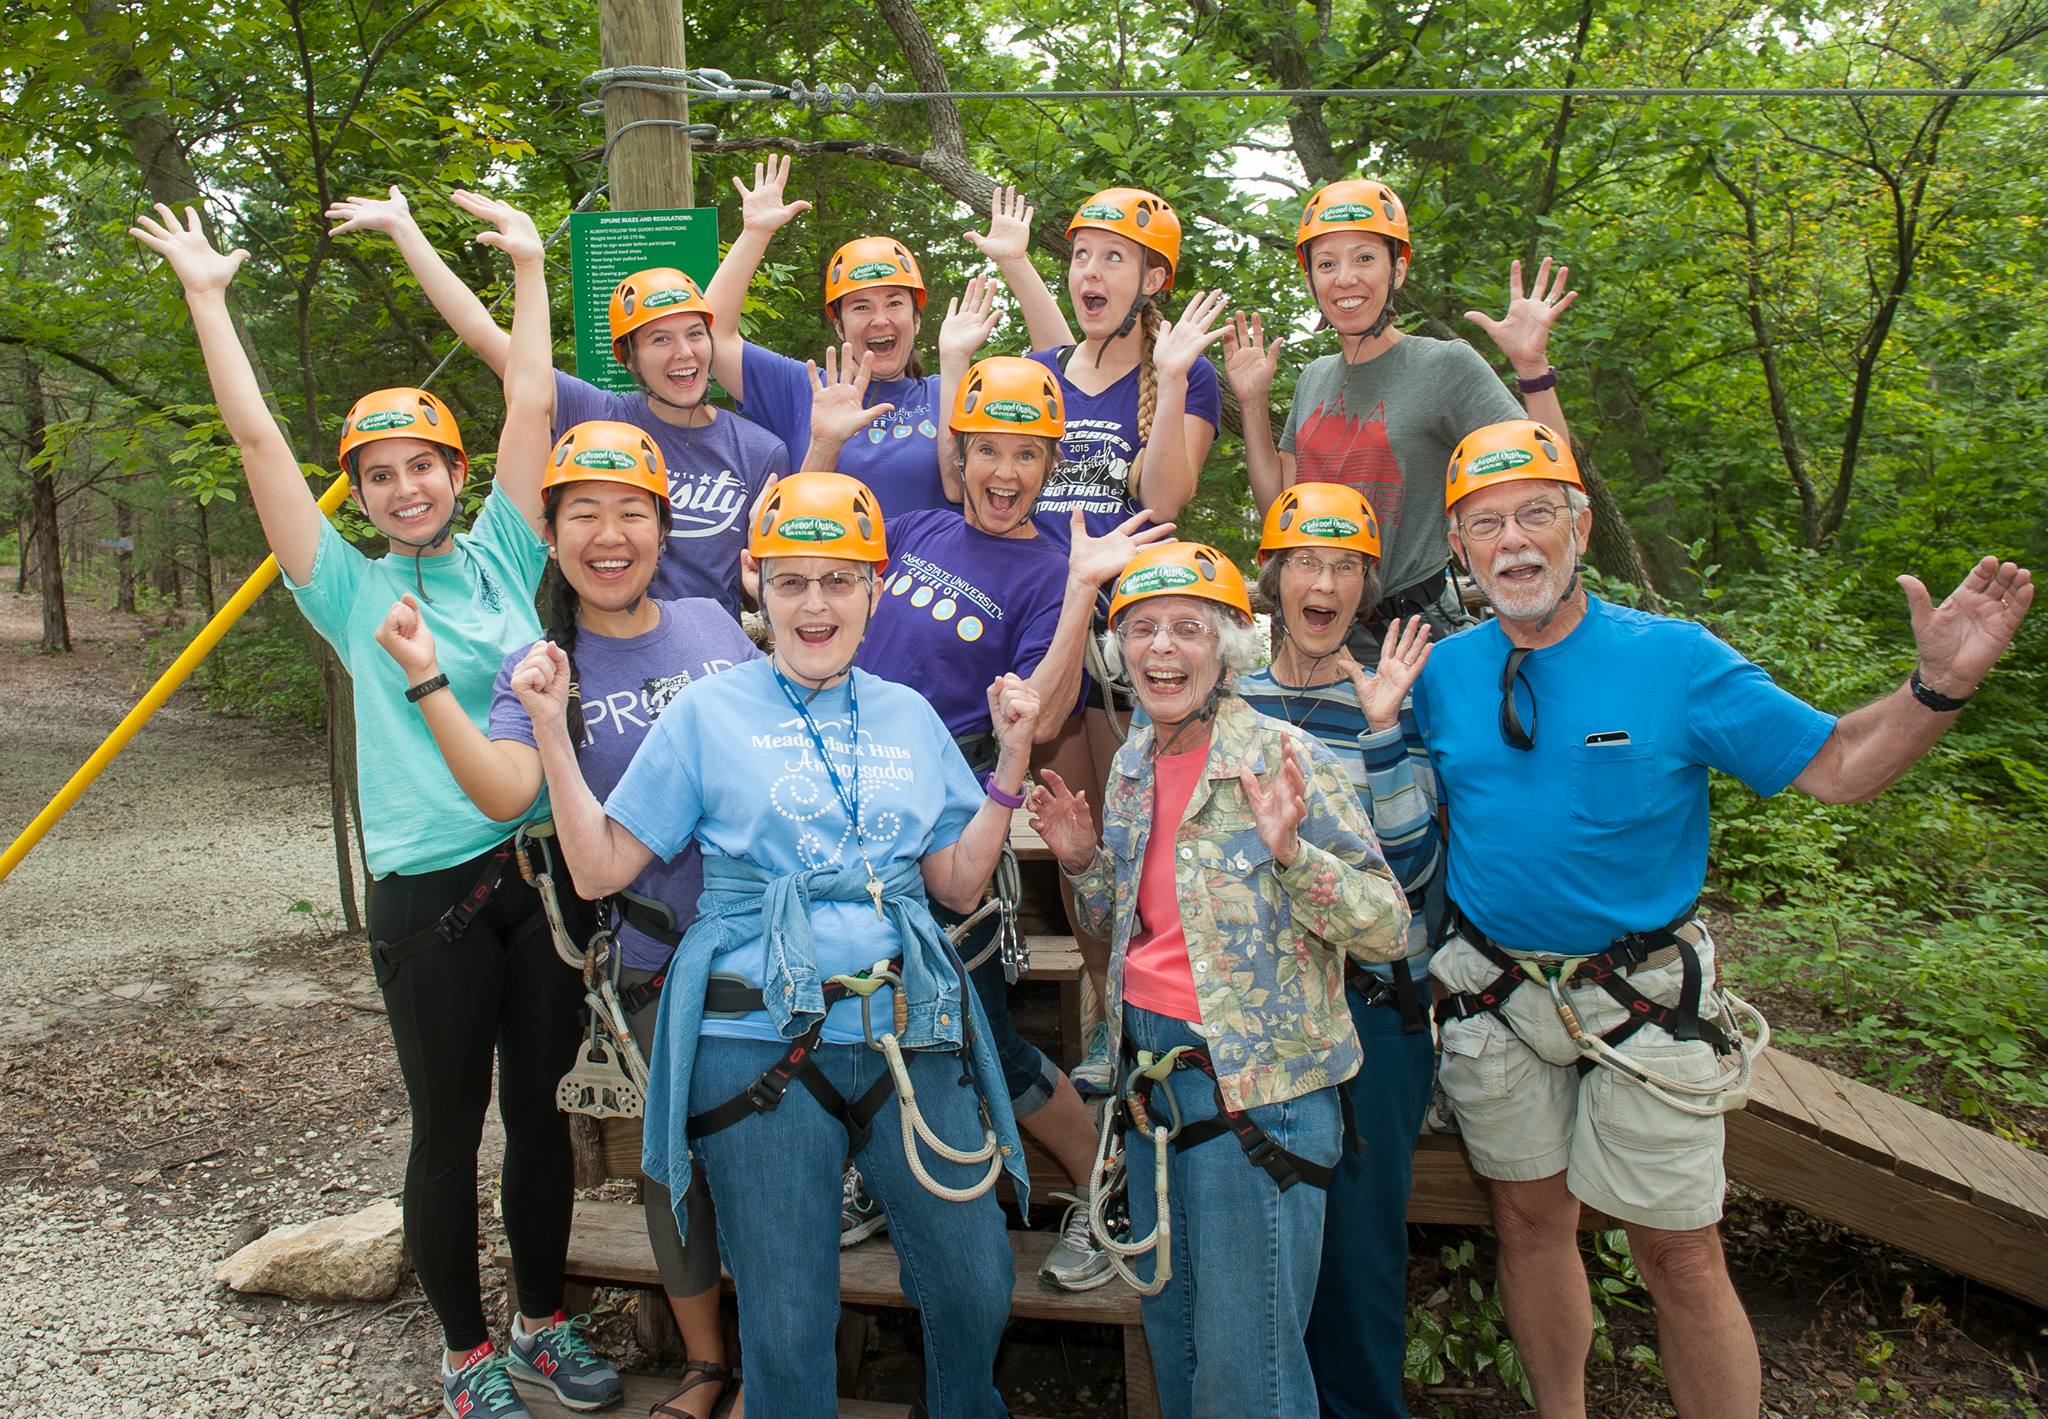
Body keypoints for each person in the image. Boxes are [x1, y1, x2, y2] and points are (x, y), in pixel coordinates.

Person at [1414, 418, 2035, 1419]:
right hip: (1494, 993)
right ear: (1458, 548)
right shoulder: (1442, 674)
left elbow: (1838, 766)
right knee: (1527, 1224)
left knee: (1678, 1251)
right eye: (1484, 523)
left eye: (1535, 513)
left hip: (1642, 994)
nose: (1513, 540)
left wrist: (1938, 688)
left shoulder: (1673, 661)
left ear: (1579, 525)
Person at [131, 197, 623, 1418]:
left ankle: (542, 1322)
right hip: (429, 903)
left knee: (540, 1117)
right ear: (356, 493)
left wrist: (526, 264)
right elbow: (255, 443)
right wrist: (207, 298)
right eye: (380, 474)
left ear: (456, 473)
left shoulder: (505, 551)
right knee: (448, 1130)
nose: (406, 487)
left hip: (537, 882)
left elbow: (529, 398)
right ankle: (464, 1353)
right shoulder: (344, 589)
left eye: (422, 465)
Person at [515, 471, 1039, 1419]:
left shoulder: (909, 714)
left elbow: (959, 883)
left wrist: (1010, 761)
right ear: (757, 585)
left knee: (976, 1280)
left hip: (903, 1023)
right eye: (793, 581)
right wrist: (552, 729)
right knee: (789, 1322)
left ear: (875, 589)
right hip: (754, 1033)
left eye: (840, 580)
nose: (815, 605)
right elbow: (597, 869)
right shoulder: (706, 713)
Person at [374, 420, 756, 1418]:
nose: (609, 534)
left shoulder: (713, 626)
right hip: (654, 958)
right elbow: (507, 793)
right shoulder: (542, 665)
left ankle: (773, 1357)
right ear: (548, 534)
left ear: (664, 529)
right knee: (676, 1163)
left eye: (631, 512)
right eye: (583, 513)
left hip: (765, 940)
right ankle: (706, 1362)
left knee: (769, 1159)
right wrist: (428, 679)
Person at [1027, 541, 1411, 1419]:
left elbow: (1387, 925)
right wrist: (1085, 864)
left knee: (1250, 1371)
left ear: (1229, 647)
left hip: (1258, 1096)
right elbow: (1134, 921)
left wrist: (1294, 855)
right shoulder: (1133, 761)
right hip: (1153, 1087)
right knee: (1178, 1339)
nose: (1162, 648)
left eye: (1188, 629)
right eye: (1142, 629)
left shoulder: (1283, 756)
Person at [820, 353, 1174, 1289]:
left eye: (1026, 453)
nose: (1005, 471)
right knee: (869, 1014)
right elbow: (813, 586)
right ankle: (879, 1175)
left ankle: (1105, 1183)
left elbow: (1045, 717)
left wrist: (1082, 590)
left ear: (1050, 464)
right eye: (987, 449)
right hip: (857, 823)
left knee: (989, 1041)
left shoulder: (1051, 570)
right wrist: (821, 444)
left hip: (945, 834)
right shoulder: (918, 528)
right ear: (960, 454)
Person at [1007, 185, 1232, 1094]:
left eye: (1114, 257)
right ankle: (1106, 1011)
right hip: (1046, 623)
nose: (1091, 271)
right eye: (1081, 255)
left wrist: (1174, 379)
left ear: (1153, 280)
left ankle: (1150, 1006)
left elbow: (1167, 499)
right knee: (1076, 834)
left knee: (1136, 832)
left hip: (1129, 643)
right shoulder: (1043, 367)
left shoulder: (1182, 372)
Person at [1231, 483, 1444, 1418]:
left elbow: (1416, 866)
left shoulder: (1390, 695)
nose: (1324, 584)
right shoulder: (1230, 698)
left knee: (1358, 1255)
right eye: (1307, 564)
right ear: (1274, 577)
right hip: (1265, 1004)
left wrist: (1385, 733)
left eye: (1346, 567)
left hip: (1373, 1004)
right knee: (1263, 1247)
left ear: (1367, 585)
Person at [327, 186, 788, 616]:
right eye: (659, 339)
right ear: (628, 358)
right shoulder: (598, 417)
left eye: (694, 334)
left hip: (711, 651)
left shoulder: (758, 451)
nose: (683, 352)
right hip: (603, 647)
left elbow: (769, 576)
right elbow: (482, 333)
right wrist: (406, 231)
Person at [1227, 176, 1576, 653]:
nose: (1344, 278)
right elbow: (1278, 510)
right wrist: (1252, 402)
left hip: (1409, 629)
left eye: (1364, 258)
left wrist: (1532, 370)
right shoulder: (1314, 377)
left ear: (1398, 270)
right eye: (1326, 263)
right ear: (1311, 280)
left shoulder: (1444, 365)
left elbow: (1551, 475)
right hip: (1317, 627)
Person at [700, 157, 1071, 517]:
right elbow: (710, 338)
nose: (880, 320)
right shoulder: (804, 388)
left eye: (894, 303)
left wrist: (1016, 263)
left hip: (931, 562)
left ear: (916, 319)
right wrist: (755, 234)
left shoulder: (954, 392)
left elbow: (1064, 372)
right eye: (861, 307)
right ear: (839, 326)